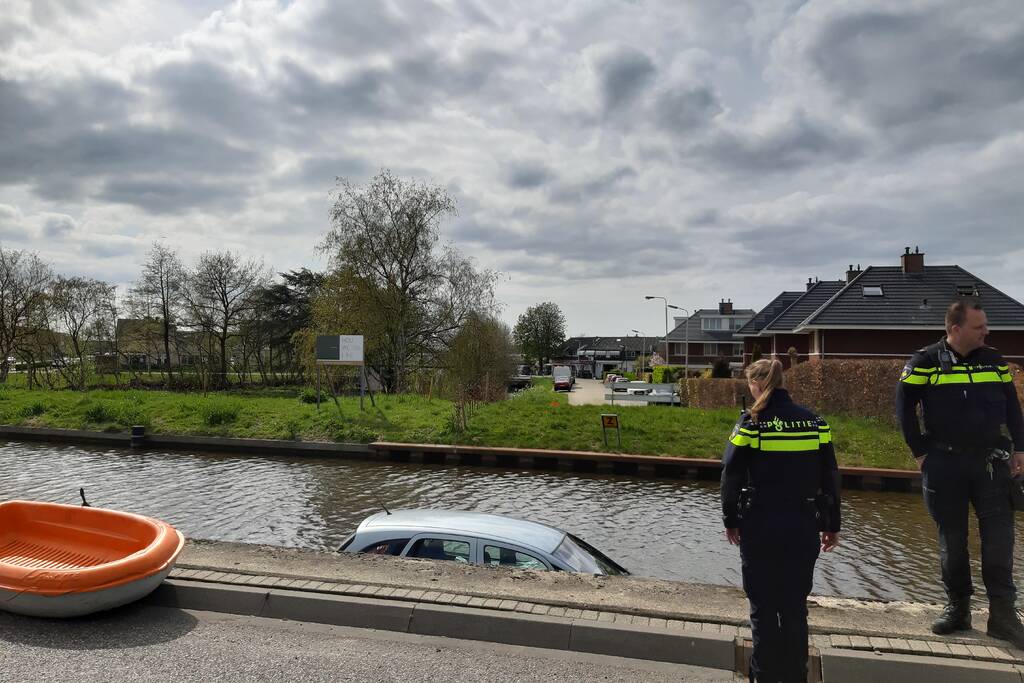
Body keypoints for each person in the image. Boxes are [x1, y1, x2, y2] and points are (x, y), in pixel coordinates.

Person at [896, 300, 1024, 647]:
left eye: (986, 326)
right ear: (955, 328)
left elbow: (1013, 406)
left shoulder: (995, 361)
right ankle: (958, 609)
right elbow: (904, 408)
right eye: (979, 326)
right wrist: (920, 451)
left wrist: (1020, 448)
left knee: (999, 541)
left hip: (991, 464)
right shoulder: (924, 361)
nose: (987, 332)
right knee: (952, 542)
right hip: (944, 464)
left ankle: (1003, 615)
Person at [722, 359, 841, 683]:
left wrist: (730, 519)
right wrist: (832, 525)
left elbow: (730, 476)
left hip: (760, 525)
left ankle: (762, 676)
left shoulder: (751, 423)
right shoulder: (815, 422)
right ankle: (795, 676)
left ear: (757, 385)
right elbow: (830, 477)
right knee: (793, 607)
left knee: (762, 607)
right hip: (802, 525)